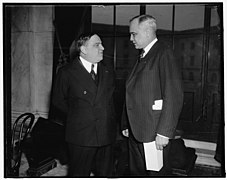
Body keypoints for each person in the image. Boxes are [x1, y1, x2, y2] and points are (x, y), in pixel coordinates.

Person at [121, 14, 184, 176]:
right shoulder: (142, 55)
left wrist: (164, 132)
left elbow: (173, 94)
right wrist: (126, 124)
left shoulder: (163, 53)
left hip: (154, 132)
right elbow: (132, 92)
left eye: (134, 34)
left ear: (148, 32)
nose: (130, 38)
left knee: (156, 175)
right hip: (136, 131)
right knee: (137, 174)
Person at [52, 33, 117, 177]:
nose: (102, 48)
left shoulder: (108, 71)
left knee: (106, 175)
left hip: (106, 135)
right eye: (96, 45)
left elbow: (112, 102)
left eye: (101, 44)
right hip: (81, 136)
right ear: (83, 49)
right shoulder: (66, 72)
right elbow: (58, 101)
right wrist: (80, 115)